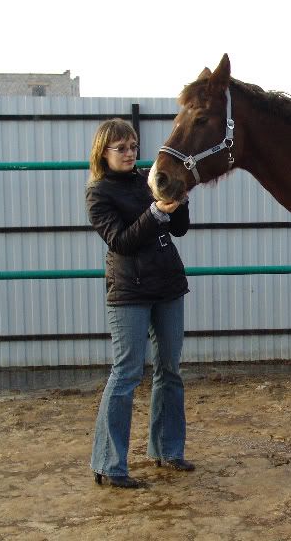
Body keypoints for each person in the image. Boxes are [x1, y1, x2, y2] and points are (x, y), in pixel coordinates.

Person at [86, 118, 194, 488]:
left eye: (133, 146)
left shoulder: (148, 179)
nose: (130, 153)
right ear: (104, 152)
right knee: (127, 372)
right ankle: (109, 463)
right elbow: (120, 241)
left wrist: (179, 202)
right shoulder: (99, 194)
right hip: (129, 291)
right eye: (121, 148)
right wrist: (156, 212)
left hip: (167, 285)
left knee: (170, 369)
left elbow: (179, 230)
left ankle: (168, 450)